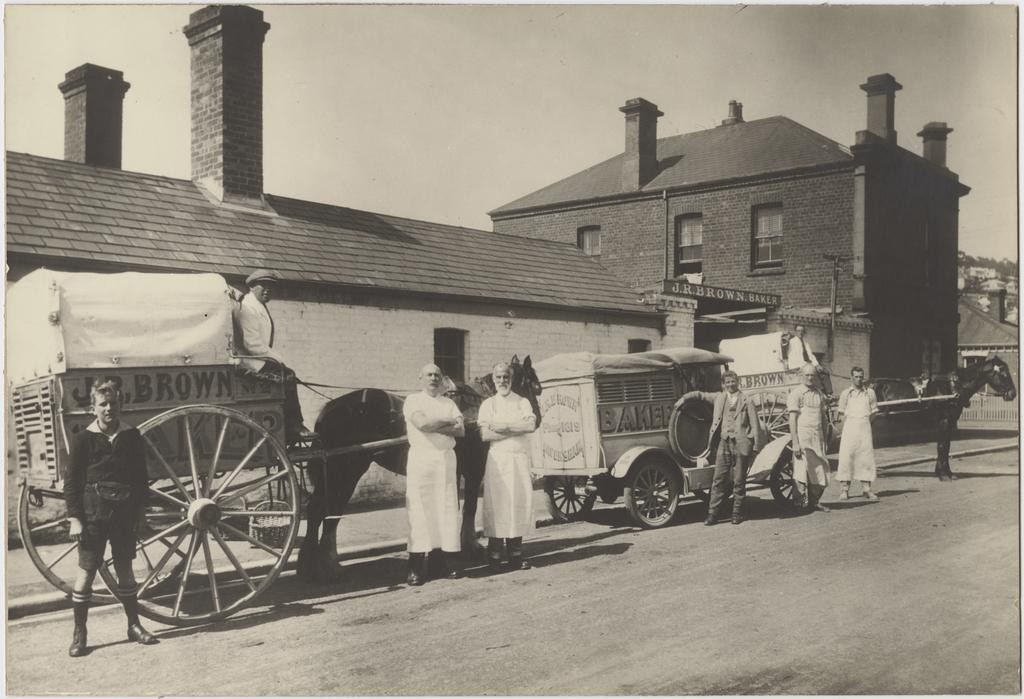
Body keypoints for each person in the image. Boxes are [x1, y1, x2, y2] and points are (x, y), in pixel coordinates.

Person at [64, 381, 158, 657]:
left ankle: (134, 625)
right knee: (86, 573)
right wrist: (75, 519)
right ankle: (80, 635)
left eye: (113, 404)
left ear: (120, 405)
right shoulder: (83, 439)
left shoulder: (131, 436)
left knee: (125, 568)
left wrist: (140, 513)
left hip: (125, 514)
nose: (108, 409)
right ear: (93, 408)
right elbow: (72, 484)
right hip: (93, 516)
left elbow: (141, 480)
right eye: (103, 404)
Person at [402, 363, 465, 586]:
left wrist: (436, 425)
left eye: (437, 375)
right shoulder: (413, 401)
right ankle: (416, 567)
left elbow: (461, 430)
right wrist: (448, 422)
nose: (433, 378)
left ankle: (442, 562)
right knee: (420, 509)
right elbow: (422, 424)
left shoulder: (448, 402)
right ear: (420, 378)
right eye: (429, 374)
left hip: (445, 459)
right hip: (422, 459)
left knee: (446, 508)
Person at [234, 268, 313, 444]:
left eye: (271, 287)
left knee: (287, 375)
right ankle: (294, 427)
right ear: (252, 287)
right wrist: (278, 359)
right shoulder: (247, 308)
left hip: (257, 359)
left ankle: (289, 427)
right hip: (250, 361)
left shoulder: (257, 306)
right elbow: (251, 344)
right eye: (264, 286)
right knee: (288, 377)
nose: (268, 290)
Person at [684, 371, 766, 526]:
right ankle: (712, 515)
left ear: (738, 381)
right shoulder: (720, 398)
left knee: (739, 480)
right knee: (718, 479)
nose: (730, 384)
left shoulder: (747, 400)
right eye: (727, 382)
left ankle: (737, 513)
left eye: (733, 381)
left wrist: (756, 445)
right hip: (724, 442)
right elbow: (700, 395)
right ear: (724, 384)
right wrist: (683, 398)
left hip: (741, 443)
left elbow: (755, 425)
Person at [478, 362, 538, 569]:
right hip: (498, 460)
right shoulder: (488, 405)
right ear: (493, 380)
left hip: (519, 459)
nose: (502, 381)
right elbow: (485, 434)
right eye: (498, 377)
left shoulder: (522, 402)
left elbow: (530, 425)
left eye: (506, 377)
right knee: (498, 505)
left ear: (511, 379)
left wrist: (503, 426)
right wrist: (517, 428)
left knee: (518, 504)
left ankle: (515, 555)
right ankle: (494, 555)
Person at [788, 364, 831, 513]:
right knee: (800, 471)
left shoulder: (819, 394)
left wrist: (825, 440)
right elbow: (792, 419)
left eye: (812, 375)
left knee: (821, 470)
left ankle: (814, 502)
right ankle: (798, 505)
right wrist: (795, 442)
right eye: (807, 375)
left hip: (817, 438)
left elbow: (823, 419)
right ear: (801, 376)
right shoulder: (796, 394)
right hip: (803, 438)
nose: (810, 378)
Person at [837, 367, 880, 501]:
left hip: (865, 428)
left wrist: (865, 422)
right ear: (851, 378)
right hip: (850, 428)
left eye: (861, 376)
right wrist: (851, 424)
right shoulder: (846, 393)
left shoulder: (870, 393)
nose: (859, 379)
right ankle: (845, 490)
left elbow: (874, 412)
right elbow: (841, 413)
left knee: (865, 458)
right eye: (856, 376)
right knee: (846, 458)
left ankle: (866, 489)